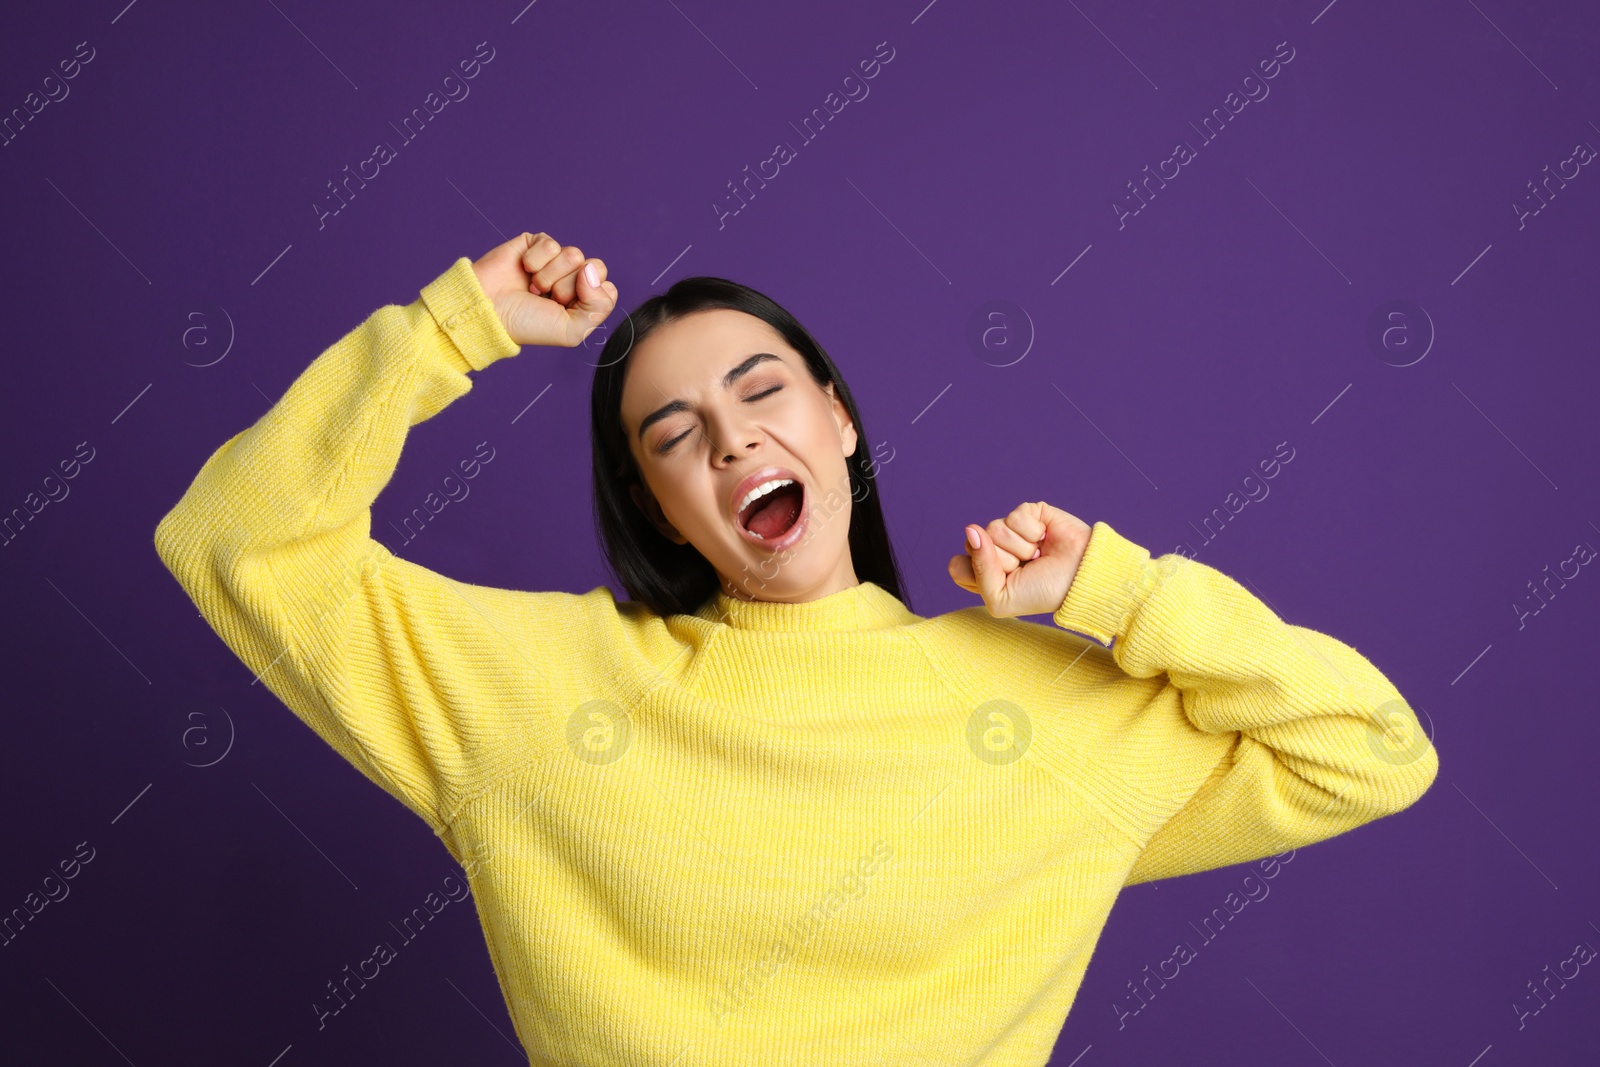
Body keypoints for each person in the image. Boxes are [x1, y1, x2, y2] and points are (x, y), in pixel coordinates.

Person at [154, 232, 1438, 1066]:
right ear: (658, 502)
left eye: (761, 389)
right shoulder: (535, 695)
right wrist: (451, 328)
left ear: (836, 418)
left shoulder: (1031, 709)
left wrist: (1115, 587)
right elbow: (234, 540)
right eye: (672, 432)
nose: (729, 440)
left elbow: (1368, 753)